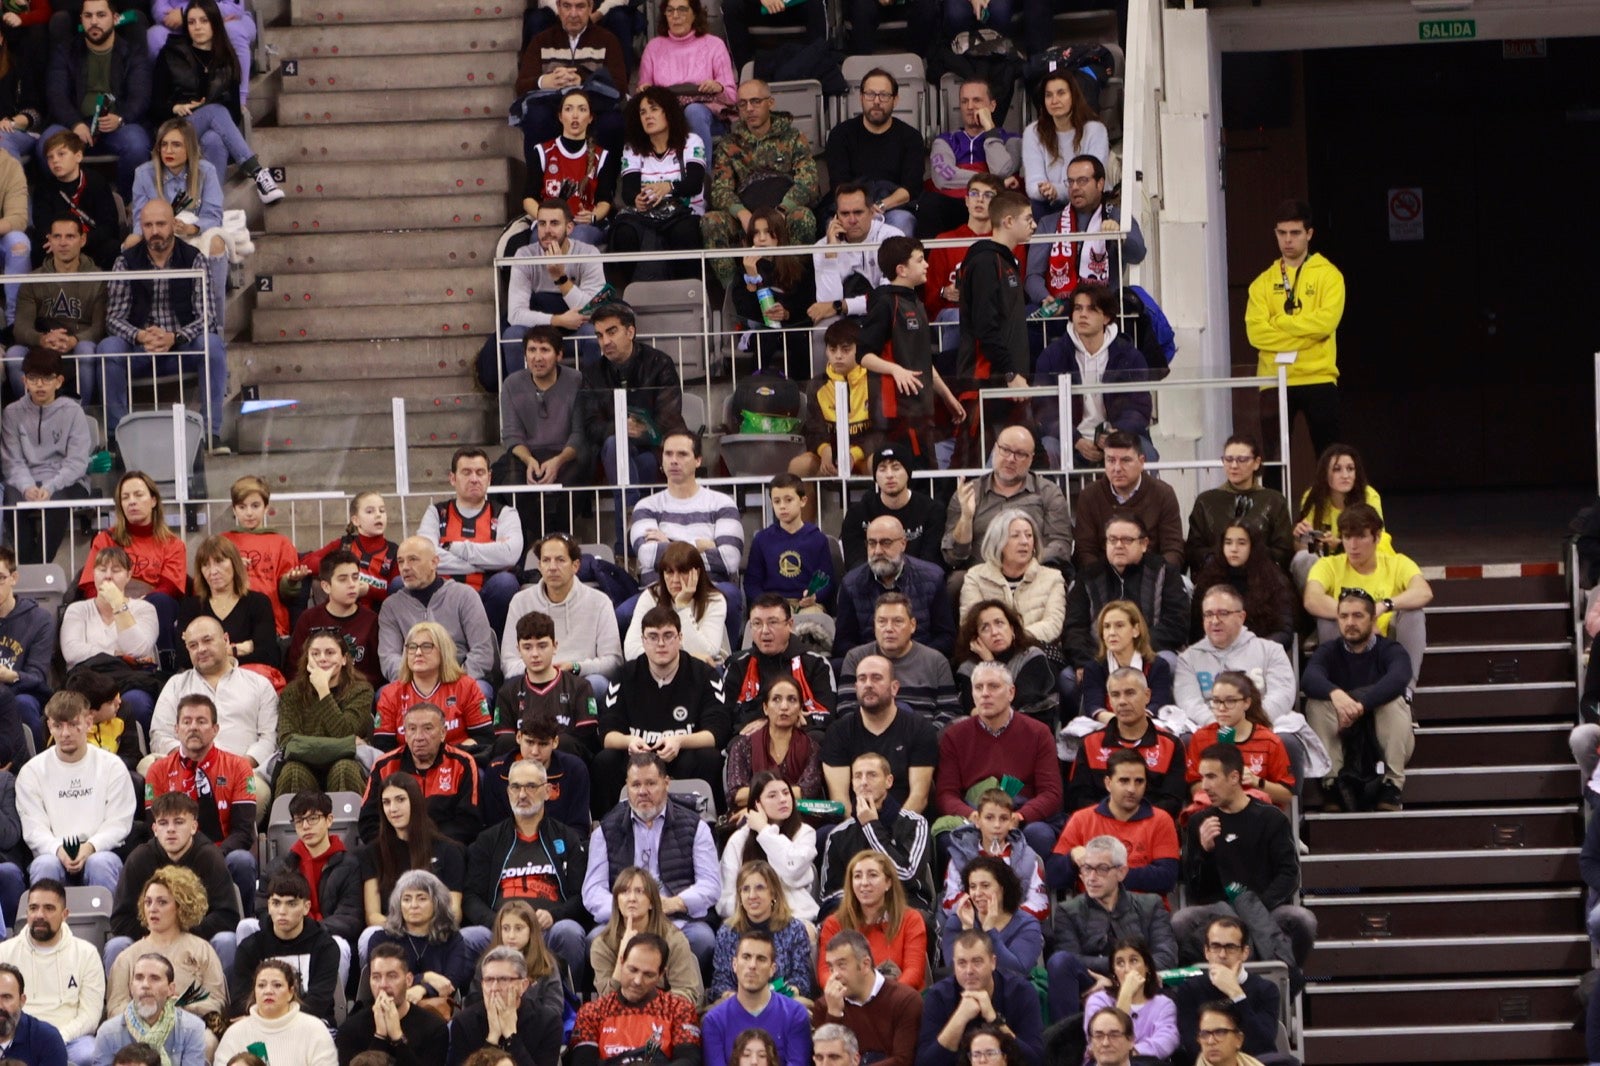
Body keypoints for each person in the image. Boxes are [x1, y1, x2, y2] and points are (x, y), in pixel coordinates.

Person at [98, 199, 227, 449]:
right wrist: (141, 336)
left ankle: (211, 433)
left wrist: (174, 337)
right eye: (148, 225)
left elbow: (207, 317)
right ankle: (118, 438)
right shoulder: (125, 262)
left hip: (181, 347)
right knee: (108, 348)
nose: (154, 231)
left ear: (173, 225)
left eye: (160, 224)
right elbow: (114, 318)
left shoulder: (194, 259)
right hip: (140, 349)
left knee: (212, 344)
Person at [1173, 744, 1315, 969]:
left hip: (1267, 908)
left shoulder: (1271, 818)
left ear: (1234, 777)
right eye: (1202, 778)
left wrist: (1256, 911)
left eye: (1211, 777)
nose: (1204, 786)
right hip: (1218, 911)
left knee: (1303, 919)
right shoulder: (1198, 822)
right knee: (1181, 921)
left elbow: (1289, 875)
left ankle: (1285, 982)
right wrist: (1204, 852)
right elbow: (1195, 890)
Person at [582, 753, 721, 971]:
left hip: (676, 918)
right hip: (624, 920)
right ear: (627, 786)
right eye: (636, 784)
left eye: (650, 783)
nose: (643, 791)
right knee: (594, 941)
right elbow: (592, 891)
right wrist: (626, 910)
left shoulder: (695, 827)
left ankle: (682, 999)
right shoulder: (606, 831)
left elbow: (711, 885)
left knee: (703, 940)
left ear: (666, 783)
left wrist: (674, 903)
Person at [463, 757, 589, 982]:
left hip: (548, 930)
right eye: (515, 787)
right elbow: (471, 897)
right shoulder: (488, 840)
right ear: (508, 791)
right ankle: (482, 1007)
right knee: (468, 937)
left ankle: (568, 1001)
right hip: (500, 931)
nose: (522, 794)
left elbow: (581, 896)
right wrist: (499, 922)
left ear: (548, 791)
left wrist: (554, 915)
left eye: (531, 786)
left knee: (569, 932)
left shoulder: (567, 837)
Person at [597, 606, 731, 808]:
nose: (661, 643)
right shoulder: (625, 675)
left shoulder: (704, 674)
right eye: (653, 636)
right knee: (606, 760)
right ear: (643, 640)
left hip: (683, 753)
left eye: (668, 635)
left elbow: (717, 733)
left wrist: (679, 741)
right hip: (638, 757)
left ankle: (712, 825)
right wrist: (630, 741)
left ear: (680, 638)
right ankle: (608, 826)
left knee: (709, 757)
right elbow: (607, 734)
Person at [144, 692, 260, 921]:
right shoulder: (157, 771)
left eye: (201, 721)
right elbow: (154, 829)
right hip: (173, 855)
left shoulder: (238, 767)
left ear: (215, 729)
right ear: (176, 729)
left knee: (243, 861)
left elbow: (244, 832)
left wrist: (211, 857)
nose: (193, 727)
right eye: (186, 722)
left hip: (222, 853)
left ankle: (244, 927)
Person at [1245, 198, 1345, 462]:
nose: (1288, 240)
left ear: (1309, 234)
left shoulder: (1329, 276)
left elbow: (1325, 324)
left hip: (1319, 377)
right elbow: (1256, 334)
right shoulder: (1262, 283)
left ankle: (1332, 505)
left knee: (1330, 459)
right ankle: (1277, 506)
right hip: (1274, 379)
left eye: (1295, 233)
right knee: (1273, 459)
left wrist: (1281, 323)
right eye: (1282, 233)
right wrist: (1306, 334)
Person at [151, 0, 281, 201]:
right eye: (192, 22)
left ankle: (211, 206)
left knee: (215, 140)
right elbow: (155, 105)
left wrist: (206, 110)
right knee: (214, 111)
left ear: (215, 23)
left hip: (210, 129)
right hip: (175, 128)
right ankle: (257, 173)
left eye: (203, 20)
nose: (198, 27)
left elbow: (234, 112)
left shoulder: (226, 59)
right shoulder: (170, 54)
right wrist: (176, 107)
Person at [1303, 587, 1415, 812]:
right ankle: (1331, 784)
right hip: (1344, 741)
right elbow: (1309, 678)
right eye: (1343, 616)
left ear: (1373, 618)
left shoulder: (1390, 649)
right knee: (1316, 704)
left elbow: (1399, 678)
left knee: (1393, 703)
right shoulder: (1328, 651)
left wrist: (1359, 705)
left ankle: (1392, 786)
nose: (1350, 622)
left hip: (1386, 738)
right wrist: (1336, 695)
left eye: (1358, 615)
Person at [1044, 835, 1177, 1022]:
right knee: (1059, 962)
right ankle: (1066, 1042)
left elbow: (1166, 955)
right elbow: (1071, 959)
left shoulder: (1150, 904)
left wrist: (1117, 979)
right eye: (1087, 868)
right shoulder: (1068, 911)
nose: (1091, 877)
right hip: (1092, 983)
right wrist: (1118, 972)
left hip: (1142, 983)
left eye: (1102, 869)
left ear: (1121, 872)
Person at [935, 662, 1062, 858]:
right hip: (975, 813)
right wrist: (974, 816)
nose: (985, 693)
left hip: (1021, 813)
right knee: (947, 838)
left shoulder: (1038, 732)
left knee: (1039, 835)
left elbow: (1051, 792)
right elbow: (946, 794)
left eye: (993, 686)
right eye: (978, 688)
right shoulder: (955, 735)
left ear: (1011, 692)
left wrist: (1019, 816)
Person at [700, 79, 819, 284]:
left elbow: (808, 182)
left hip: (783, 214)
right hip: (745, 219)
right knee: (711, 221)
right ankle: (734, 294)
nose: (749, 109)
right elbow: (720, 190)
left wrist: (782, 211)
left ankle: (797, 288)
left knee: (803, 216)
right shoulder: (730, 143)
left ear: (770, 103)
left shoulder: (792, 137)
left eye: (755, 101)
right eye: (743, 104)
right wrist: (743, 214)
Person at [855, 236, 964, 459]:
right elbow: (862, 354)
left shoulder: (916, 303)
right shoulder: (886, 303)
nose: (926, 264)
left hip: (921, 407)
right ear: (901, 270)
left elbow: (922, 358)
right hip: (897, 409)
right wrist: (895, 369)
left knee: (926, 475)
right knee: (911, 474)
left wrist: (946, 396)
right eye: (920, 260)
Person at [16, 692, 134, 891]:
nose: (65, 733)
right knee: (45, 865)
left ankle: (109, 923)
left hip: (101, 852)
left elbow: (119, 822)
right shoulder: (31, 772)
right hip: (52, 855)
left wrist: (90, 847)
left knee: (100, 864)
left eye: (73, 724)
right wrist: (58, 850)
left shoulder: (112, 766)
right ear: (49, 726)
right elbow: (33, 828)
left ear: (89, 722)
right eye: (58, 726)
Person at [580, 301, 684, 524]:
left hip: (655, 448)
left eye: (611, 332)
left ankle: (627, 534)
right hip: (613, 452)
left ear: (630, 331)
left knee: (641, 462)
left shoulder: (659, 363)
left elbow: (670, 416)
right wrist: (619, 428)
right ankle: (634, 521)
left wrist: (643, 431)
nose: (605, 342)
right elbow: (590, 426)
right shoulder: (592, 373)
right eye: (599, 335)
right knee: (615, 445)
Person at [950, 190, 1035, 466]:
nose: (1034, 225)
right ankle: (955, 509)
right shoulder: (987, 262)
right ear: (1008, 221)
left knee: (1029, 450)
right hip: (984, 379)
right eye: (1028, 218)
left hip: (1006, 378)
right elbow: (985, 325)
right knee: (969, 458)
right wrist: (1010, 371)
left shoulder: (1006, 261)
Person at [1303, 504, 1432, 682]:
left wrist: (1383, 605)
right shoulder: (1329, 565)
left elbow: (1423, 592)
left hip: (1386, 643)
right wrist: (1359, 618)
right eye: (1347, 537)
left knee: (1414, 614)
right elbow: (1312, 599)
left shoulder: (1397, 563)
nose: (1353, 545)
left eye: (1361, 537)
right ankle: (1339, 685)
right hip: (1348, 639)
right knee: (1327, 619)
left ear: (1377, 537)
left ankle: (1405, 687)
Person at [1032, 282, 1153, 469]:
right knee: (1049, 447)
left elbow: (1139, 407)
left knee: (1146, 451)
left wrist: (1117, 434)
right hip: (1069, 440)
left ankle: (1140, 499)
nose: (1082, 315)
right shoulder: (1052, 356)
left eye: (1091, 309)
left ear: (1106, 318)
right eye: (1078, 308)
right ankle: (1054, 499)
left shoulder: (1129, 356)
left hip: (1116, 436)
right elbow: (1044, 410)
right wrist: (1075, 440)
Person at [2, 302, 99, 531]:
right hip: (27, 481)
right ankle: (29, 565)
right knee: (11, 496)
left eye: (47, 378)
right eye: (33, 378)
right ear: (24, 381)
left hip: (67, 482)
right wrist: (27, 487)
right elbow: (12, 462)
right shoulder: (12, 413)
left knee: (59, 500)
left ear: (59, 381)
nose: (40, 385)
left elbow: (76, 462)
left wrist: (51, 486)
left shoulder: (72, 411)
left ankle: (35, 564)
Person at [628, 429, 744, 619]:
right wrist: (702, 546)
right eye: (668, 454)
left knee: (730, 598)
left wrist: (669, 543)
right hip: (658, 590)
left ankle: (727, 650)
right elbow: (648, 556)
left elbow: (729, 560)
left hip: (709, 587)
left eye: (682, 454)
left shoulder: (722, 503)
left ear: (698, 460)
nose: (674, 460)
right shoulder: (646, 506)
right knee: (621, 615)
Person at [40, 0, 151, 196]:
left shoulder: (132, 52)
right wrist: (74, 123)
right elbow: (56, 94)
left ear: (115, 18)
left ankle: (126, 203)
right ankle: (62, 202)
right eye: (88, 16)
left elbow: (140, 96)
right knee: (46, 143)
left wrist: (120, 118)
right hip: (74, 126)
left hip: (116, 126)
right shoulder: (66, 51)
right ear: (81, 19)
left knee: (137, 145)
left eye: (101, 15)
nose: (94, 22)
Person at [152, 615, 278, 783]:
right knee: (148, 766)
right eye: (193, 645)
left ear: (226, 640)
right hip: (185, 771)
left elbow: (269, 738)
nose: (201, 649)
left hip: (242, 774)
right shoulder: (176, 685)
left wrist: (240, 765)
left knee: (257, 789)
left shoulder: (259, 684)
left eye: (207, 640)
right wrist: (190, 762)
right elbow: (160, 734)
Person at [416, 447, 524, 639]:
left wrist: (453, 547)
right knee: (401, 583)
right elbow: (425, 557)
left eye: (480, 472)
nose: (474, 478)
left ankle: (491, 651)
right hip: (440, 595)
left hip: (485, 594)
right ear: (452, 478)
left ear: (489, 478)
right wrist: (488, 563)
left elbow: (509, 556)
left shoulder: (505, 513)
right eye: (466, 472)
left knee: (506, 583)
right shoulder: (436, 513)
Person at [500, 532, 624, 701]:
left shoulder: (600, 602)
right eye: (546, 560)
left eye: (560, 560)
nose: (552, 567)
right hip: (533, 677)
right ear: (539, 565)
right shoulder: (520, 601)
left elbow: (613, 661)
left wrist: (576, 667)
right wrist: (543, 671)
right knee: (512, 685)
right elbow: (508, 663)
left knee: (598, 684)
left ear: (576, 565)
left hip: (579, 678)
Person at [606, 87, 706, 289]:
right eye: (643, 112)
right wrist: (637, 199)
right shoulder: (632, 148)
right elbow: (628, 192)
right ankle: (633, 291)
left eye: (654, 109)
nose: (648, 116)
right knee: (624, 231)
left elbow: (694, 184)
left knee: (683, 232)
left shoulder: (691, 142)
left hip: (685, 213)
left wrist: (668, 187)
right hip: (646, 215)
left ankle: (686, 290)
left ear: (668, 112)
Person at [495, 326, 589, 539]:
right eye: (532, 350)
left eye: (545, 350)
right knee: (508, 480)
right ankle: (541, 537)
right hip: (527, 454)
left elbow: (579, 433)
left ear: (559, 354)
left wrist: (558, 461)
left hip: (565, 452)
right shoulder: (512, 384)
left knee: (578, 473)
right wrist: (529, 460)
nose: (537, 357)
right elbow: (511, 434)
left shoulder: (576, 380)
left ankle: (561, 536)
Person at [1174, 583, 1299, 741]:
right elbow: (1189, 702)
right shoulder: (1188, 658)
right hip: (1210, 726)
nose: (1214, 620)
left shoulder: (1271, 651)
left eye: (1223, 613)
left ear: (1241, 617)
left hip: (1263, 723)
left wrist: (1249, 723)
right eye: (1208, 614)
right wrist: (1220, 725)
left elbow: (1282, 695)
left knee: (1288, 741)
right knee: (1185, 740)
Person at [1064, 517, 1190, 674]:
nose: (1118, 545)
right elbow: (1074, 628)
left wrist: (1132, 648)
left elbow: (1176, 623)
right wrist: (1086, 660)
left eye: (1126, 540)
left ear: (1144, 544)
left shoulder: (1164, 572)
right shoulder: (1088, 576)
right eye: (1112, 540)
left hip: (1151, 652)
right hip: (1099, 656)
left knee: (1169, 664)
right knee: (1067, 679)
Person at [942, 425, 1073, 572]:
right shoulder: (969, 493)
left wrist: (1022, 566)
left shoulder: (1048, 493)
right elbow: (952, 556)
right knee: (956, 583)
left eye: (1020, 454)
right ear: (995, 449)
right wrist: (966, 518)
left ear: (1031, 459)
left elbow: (1060, 546)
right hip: (980, 576)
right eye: (1005, 450)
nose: (1011, 459)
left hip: (1034, 574)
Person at [105, 864, 227, 1019]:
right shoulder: (127, 957)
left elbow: (216, 1001)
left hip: (189, 1029)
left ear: (180, 906)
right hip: (140, 1033)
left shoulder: (201, 950)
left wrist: (185, 1005)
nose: (152, 909)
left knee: (208, 1042)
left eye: (162, 902)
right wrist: (147, 1011)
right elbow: (115, 1008)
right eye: (148, 902)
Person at [1026, 154, 1146, 312]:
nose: (1075, 187)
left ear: (1100, 184)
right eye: (1070, 181)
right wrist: (1045, 298)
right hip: (1060, 307)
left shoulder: (1117, 217)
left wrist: (1119, 236)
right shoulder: (1048, 223)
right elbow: (1033, 275)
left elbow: (1138, 254)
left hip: (1102, 310)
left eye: (1082, 181)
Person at [0, 882, 103, 1066]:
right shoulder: (4, 952)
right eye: (33, 908)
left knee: (89, 1054)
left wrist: (56, 1036)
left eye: (49, 908)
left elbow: (91, 1014)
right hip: (16, 1033)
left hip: (70, 1039)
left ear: (65, 914)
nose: (40, 915)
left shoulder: (87, 953)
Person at [1053, 748, 1181, 897]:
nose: (1132, 789)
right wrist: (1071, 858)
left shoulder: (1161, 820)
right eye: (1124, 781)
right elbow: (1054, 876)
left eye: (1139, 781)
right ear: (1108, 783)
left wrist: (1105, 873)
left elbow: (1167, 878)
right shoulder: (1082, 819)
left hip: (1145, 911)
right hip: (1092, 910)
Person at [512, 0, 627, 163]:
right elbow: (521, 86)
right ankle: (538, 183)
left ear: (590, 8)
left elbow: (620, 86)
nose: (573, 14)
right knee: (536, 117)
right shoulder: (541, 41)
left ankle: (605, 185)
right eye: (567, 6)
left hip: (594, 110)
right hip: (553, 110)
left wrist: (584, 80)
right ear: (558, 8)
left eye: (580, 6)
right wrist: (545, 81)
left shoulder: (608, 40)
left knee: (613, 123)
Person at [820, 658, 938, 816]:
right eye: (862, 679)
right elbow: (840, 801)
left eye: (876, 678)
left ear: (894, 688)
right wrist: (867, 832)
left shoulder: (920, 729)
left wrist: (890, 835)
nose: (868, 684)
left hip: (905, 825)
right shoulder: (838, 732)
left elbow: (919, 797)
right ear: (856, 688)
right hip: (855, 825)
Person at [59, 547, 159, 729]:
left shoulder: (145, 609)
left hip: (129, 681)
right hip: (86, 682)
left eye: (116, 570)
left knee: (137, 701)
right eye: (102, 569)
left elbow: (137, 649)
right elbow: (72, 652)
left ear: (129, 575)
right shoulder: (77, 609)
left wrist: (118, 604)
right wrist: (115, 654)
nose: (108, 576)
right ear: (93, 574)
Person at [376, 537, 496, 686]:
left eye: (413, 559)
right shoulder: (391, 606)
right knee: (383, 695)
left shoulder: (464, 595)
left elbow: (482, 651)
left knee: (481, 690)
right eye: (400, 561)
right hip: (412, 683)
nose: (405, 567)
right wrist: (418, 684)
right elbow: (389, 658)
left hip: (460, 680)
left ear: (434, 562)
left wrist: (455, 682)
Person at [358, 702, 484, 845]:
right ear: (405, 734)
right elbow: (368, 822)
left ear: (443, 733)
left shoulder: (463, 763)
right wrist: (400, 845)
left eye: (428, 728)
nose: (419, 737)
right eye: (412, 729)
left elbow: (469, 822)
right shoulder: (384, 765)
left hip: (446, 849)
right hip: (395, 850)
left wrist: (428, 844)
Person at [359, 771, 468, 933]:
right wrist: (406, 929)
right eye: (386, 802)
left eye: (400, 800)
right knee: (369, 934)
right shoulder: (372, 852)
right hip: (393, 932)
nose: (393, 809)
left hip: (436, 932)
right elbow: (373, 916)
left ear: (415, 802)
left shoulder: (449, 850)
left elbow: (454, 910)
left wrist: (424, 928)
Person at [568, 933, 701, 1066]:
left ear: (661, 974)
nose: (637, 981)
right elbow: (583, 1062)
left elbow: (689, 1060)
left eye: (648, 975)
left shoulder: (679, 1009)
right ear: (621, 963)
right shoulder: (592, 1013)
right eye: (632, 970)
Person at [1066, 671, 1186, 819]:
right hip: (1100, 827)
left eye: (1130, 693)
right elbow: (1078, 798)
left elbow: (1172, 802)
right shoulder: (1090, 743)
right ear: (1109, 700)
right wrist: (1112, 818)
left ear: (1147, 696)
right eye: (1115, 695)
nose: (1122, 701)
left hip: (1151, 828)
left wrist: (1132, 819)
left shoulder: (1171, 745)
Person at [502, 207, 604, 379]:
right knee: (512, 335)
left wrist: (561, 278)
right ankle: (521, 399)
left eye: (554, 223)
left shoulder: (588, 253)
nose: (547, 230)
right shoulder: (524, 255)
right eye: (542, 224)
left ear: (569, 228)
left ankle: (594, 399)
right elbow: (515, 315)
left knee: (594, 334)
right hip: (541, 330)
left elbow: (593, 310)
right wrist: (558, 320)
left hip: (576, 329)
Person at [254, 790, 363, 949]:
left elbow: (350, 918)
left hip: (327, 939)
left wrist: (307, 930)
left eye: (313, 818)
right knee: (247, 926)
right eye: (299, 820)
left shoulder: (349, 866)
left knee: (341, 945)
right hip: (284, 935)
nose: (305, 826)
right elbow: (263, 908)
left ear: (329, 820)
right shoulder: (280, 866)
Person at [916, 930, 1043, 1066]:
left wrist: (994, 1019)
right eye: (962, 963)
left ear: (993, 962)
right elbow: (924, 1063)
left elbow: (1036, 1060)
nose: (969, 970)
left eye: (977, 962)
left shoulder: (1021, 992)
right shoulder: (938, 996)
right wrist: (959, 1018)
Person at [833, 517, 954, 658]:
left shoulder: (933, 578)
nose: (877, 551)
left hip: (919, 666)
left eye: (886, 543)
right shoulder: (851, 583)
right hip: (871, 667)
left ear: (903, 544)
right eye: (872, 543)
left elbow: (946, 638)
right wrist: (876, 661)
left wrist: (912, 658)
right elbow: (842, 643)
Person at [230, 871, 341, 1024]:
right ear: (268, 906)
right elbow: (240, 1001)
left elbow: (318, 1002)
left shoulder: (325, 946)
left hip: (311, 1024)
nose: (282, 911)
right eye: (276, 903)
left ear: (306, 907)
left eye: (291, 904)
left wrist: (276, 1018)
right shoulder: (250, 947)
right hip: (262, 1025)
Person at [823, 70, 924, 238]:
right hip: (850, 208)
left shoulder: (910, 137)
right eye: (870, 94)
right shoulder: (840, 135)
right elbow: (839, 183)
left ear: (895, 99)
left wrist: (879, 207)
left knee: (903, 222)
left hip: (893, 208)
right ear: (861, 97)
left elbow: (910, 189)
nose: (876, 101)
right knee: (833, 227)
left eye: (884, 95)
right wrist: (860, 211)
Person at [273, 628, 374, 795]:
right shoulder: (292, 693)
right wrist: (349, 744)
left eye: (330, 652)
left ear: (344, 659)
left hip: (347, 766)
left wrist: (323, 691)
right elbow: (288, 744)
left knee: (344, 768)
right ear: (307, 659)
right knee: (292, 771)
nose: (322, 659)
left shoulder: (361, 691)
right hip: (303, 767)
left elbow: (344, 731)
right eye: (315, 654)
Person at [1167, 918, 1281, 1064]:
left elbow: (1263, 1046)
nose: (1222, 955)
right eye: (1215, 946)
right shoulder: (1189, 990)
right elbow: (1193, 1046)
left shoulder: (1266, 990)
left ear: (1245, 952)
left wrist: (1236, 993)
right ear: (1206, 952)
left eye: (1230, 947)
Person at [917, 84, 1022, 240]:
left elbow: (1002, 170)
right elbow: (944, 177)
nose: (970, 107)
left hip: (994, 204)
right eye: (964, 101)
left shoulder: (1012, 140)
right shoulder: (946, 140)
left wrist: (990, 130)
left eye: (976, 100)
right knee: (929, 204)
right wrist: (994, 180)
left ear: (992, 106)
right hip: (954, 206)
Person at [837, 594, 960, 727]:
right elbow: (846, 709)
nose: (889, 628)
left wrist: (923, 738)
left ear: (912, 625)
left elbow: (949, 713)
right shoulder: (855, 658)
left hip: (923, 741)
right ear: (874, 625)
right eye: (882, 621)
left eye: (897, 621)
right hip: (867, 741)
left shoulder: (936, 661)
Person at [588, 866, 702, 1007]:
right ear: (617, 901)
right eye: (625, 892)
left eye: (639, 892)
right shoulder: (602, 944)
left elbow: (686, 992)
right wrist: (621, 957)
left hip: (664, 1017)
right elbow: (606, 1002)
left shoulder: (674, 940)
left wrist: (648, 1010)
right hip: (620, 1020)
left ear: (652, 902)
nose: (632, 899)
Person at [721, 594, 835, 734]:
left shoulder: (816, 664)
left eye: (772, 622)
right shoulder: (737, 665)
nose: (764, 631)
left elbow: (828, 716)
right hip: (750, 742)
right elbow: (723, 719)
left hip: (801, 737)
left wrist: (779, 722)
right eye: (757, 623)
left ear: (790, 624)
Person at [493, 610, 600, 757]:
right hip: (521, 771)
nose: (535, 654)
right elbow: (504, 745)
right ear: (518, 650)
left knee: (566, 742)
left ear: (555, 646)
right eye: (527, 647)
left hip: (566, 769)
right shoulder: (507, 692)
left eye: (542, 646)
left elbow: (586, 745)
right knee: (505, 742)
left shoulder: (579, 687)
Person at [375, 621, 493, 754]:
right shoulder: (390, 694)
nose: (418, 652)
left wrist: (446, 757)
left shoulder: (466, 687)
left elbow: (483, 738)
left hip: (457, 763)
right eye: (412, 647)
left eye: (426, 646)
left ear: (443, 651)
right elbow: (383, 747)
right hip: (406, 767)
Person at [816, 850, 928, 990]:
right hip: (849, 1000)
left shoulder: (911, 919)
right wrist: (850, 995)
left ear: (888, 882)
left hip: (898, 1000)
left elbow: (914, 972)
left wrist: (882, 998)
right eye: (857, 876)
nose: (864, 883)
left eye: (872, 875)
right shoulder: (834, 923)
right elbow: (825, 973)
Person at [1073, 434, 1184, 573]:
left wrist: (1154, 579)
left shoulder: (1163, 493)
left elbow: (1173, 548)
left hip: (1152, 575)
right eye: (1111, 460)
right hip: (1104, 577)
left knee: (1185, 586)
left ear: (1142, 462)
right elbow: (1085, 550)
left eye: (1125, 460)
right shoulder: (1089, 496)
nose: (1117, 468)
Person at [1184, 673, 1295, 809]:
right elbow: (1195, 788)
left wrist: (1256, 781)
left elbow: (1286, 795)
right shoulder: (1201, 737)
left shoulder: (1269, 741)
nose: (1221, 708)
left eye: (1230, 701)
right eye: (1216, 701)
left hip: (1255, 816)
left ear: (1246, 703)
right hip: (1214, 813)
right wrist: (1221, 781)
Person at [1185, 435, 1294, 573]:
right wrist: (1223, 559)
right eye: (1228, 459)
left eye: (1242, 460)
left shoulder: (1274, 500)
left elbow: (1284, 550)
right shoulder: (1206, 500)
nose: (1234, 465)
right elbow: (1194, 549)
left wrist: (1251, 557)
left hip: (1263, 576)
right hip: (1216, 576)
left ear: (1256, 462)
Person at [717, 773, 818, 923]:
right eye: (772, 796)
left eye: (786, 793)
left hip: (795, 918)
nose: (783, 799)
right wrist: (757, 912)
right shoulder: (739, 840)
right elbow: (725, 899)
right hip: (750, 919)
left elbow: (791, 870)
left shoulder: (805, 833)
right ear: (757, 804)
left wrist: (764, 831)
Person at [727, 209, 817, 378]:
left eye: (768, 232)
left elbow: (806, 303)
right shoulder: (743, 272)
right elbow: (746, 312)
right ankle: (757, 390)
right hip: (758, 330)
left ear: (780, 235)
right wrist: (752, 279)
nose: (761, 239)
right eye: (756, 233)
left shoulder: (797, 267)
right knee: (766, 338)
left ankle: (801, 389)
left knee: (799, 340)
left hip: (791, 327)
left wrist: (786, 313)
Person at [957, 509, 1066, 645]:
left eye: (1029, 535)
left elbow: (1053, 624)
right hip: (989, 651)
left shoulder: (1052, 578)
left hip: (1037, 649)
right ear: (998, 542)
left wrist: (1012, 639)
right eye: (1015, 536)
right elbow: (970, 623)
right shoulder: (975, 577)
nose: (1024, 541)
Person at [636, 0, 732, 153]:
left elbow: (733, 96)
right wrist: (645, 89)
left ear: (694, 14)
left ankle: (702, 175)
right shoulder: (653, 47)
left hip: (705, 114)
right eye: (670, 10)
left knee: (693, 112)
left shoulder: (715, 45)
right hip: (667, 112)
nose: (675, 15)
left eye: (682, 10)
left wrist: (718, 87)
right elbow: (644, 91)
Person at [702, 929, 810, 1066]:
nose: (752, 965)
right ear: (734, 964)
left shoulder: (796, 1015)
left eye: (761, 959)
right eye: (746, 957)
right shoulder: (714, 1021)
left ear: (772, 969)